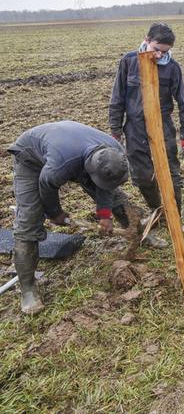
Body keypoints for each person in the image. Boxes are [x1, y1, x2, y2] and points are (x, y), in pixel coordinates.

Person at [8, 121, 130, 315]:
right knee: (28, 223)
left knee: (117, 198)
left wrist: (104, 214)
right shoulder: (60, 166)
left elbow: (107, 187)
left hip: (75, 153)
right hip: (31, 160)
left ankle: (139, 233)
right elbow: (46, 186)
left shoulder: (114, 151)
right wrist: (55, 213)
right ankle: (28, 289)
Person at [109, 23, 184, 216]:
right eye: (156, 50)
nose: (159, 56)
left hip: (163, 127)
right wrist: (116, 131)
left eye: (165, 52)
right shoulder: (129, 62)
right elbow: (117, 98)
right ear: (146, 40)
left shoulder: (172, 68)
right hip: (135, 128)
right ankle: (158, 211)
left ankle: (175, 217)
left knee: (171, 175)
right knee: (142, 176)